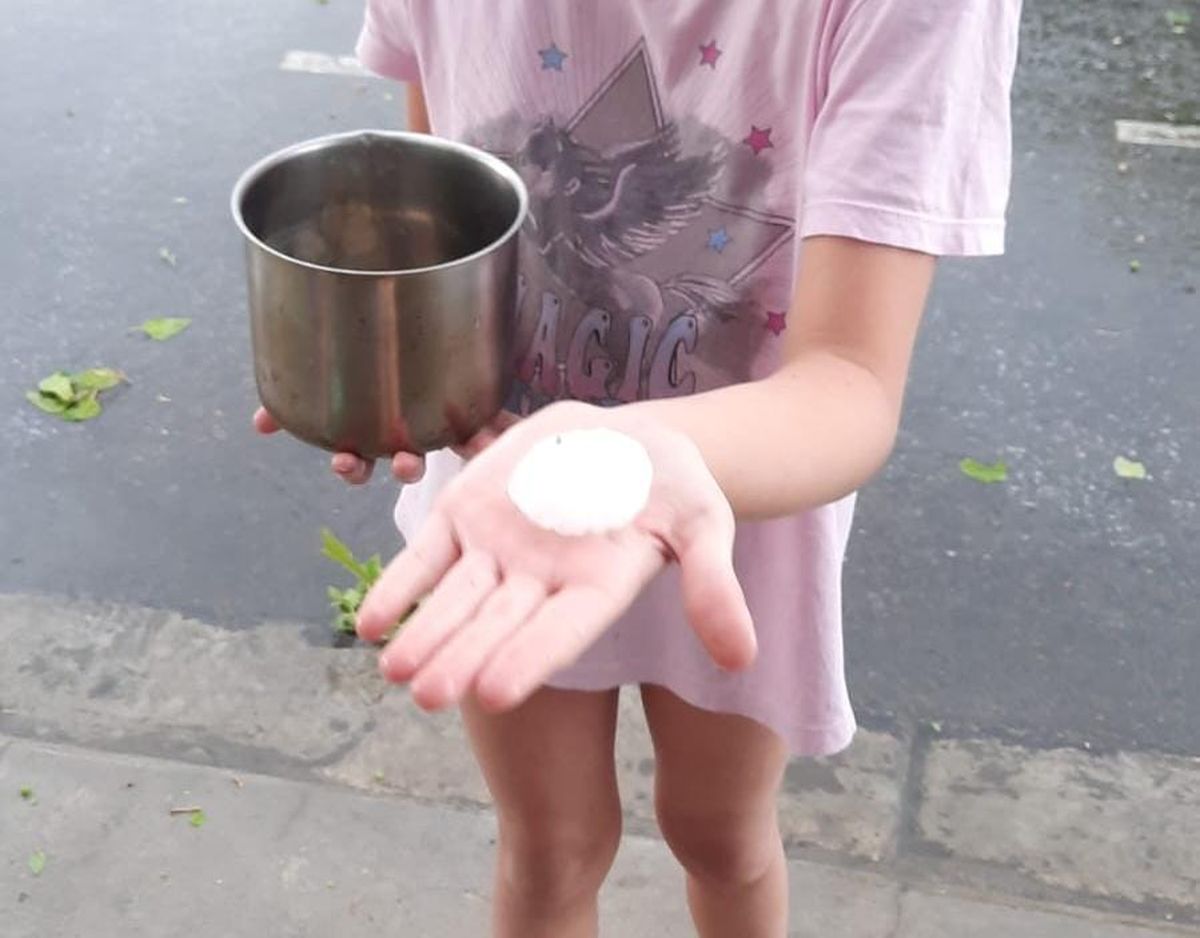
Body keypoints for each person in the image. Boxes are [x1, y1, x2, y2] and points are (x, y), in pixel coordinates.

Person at [255, 2, 1021, 934]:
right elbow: (435, 188)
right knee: (550, 848)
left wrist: (632, 459)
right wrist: (392, 356)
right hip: (509, 503)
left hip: (741, 505)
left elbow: (852, 378)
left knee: (719, 834)